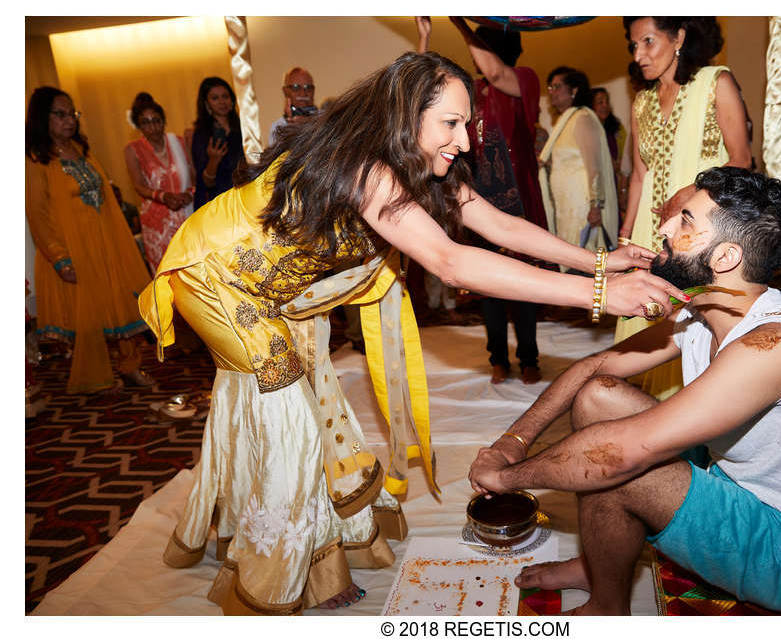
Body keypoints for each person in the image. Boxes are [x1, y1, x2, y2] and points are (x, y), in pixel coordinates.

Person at [138, 52, 689, 616]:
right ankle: (273, 569)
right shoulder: (366, 168)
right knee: (286, 411)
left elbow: (499, 225)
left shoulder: (421, 168)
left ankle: (311, 545)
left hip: (284, 285)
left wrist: (599, 263)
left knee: (314, 396)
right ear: (405, 117)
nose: (466, 142)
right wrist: (600, 296)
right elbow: (452, 263)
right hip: (220, 276)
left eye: (465, 125)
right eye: (450, 124)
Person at [469, 167, 781, 615]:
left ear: (725, 257)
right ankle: (600, 562)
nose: (663, 227)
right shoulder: (698, 313)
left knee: (621, 462)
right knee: (597, 396)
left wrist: (506, 479)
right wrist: (513, 441)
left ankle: (607, 607)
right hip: (741, 487)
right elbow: (595, 366)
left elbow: (624, 452)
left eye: (684, 221)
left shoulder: (778, 343)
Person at [615, 17, 752, 378]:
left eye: (647, 42)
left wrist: (692, 191)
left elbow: (742, 160)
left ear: (678, 37)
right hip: (651, 230)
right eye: (633, 45)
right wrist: (627, 234)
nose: (639, 54)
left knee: (694, 328)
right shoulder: (641, 102)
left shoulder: (715, 83)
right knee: (648, 322)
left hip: (700, 230)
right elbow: (641, 175)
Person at [25, 86, 154, 393]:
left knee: (121, 304)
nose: (69, 120)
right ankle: (94, 376)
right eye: (60, 114)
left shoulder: (82, 150)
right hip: (75, 250)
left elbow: (107, 197)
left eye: (72, 113)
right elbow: (38, 214)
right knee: (91, 317)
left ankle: (130, 366)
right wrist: (59, 258)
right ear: (43, 118)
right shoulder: (35, 160)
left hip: (107, 243)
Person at [440, 16, 546, 384]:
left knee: (525, 284)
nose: (474, 57)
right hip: (480, 207)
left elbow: (498, 74)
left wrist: (459, 22)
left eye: (479, 47)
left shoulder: (524, 80)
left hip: (517, 204)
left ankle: (529, 357)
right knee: (488, 286)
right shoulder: (470, 92)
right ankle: (497, 358)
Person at [538, 67, 619, 261]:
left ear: (574, 90)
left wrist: (596, 206)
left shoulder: (582, 118)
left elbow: (594, 165)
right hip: (566, 207)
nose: (551, 92)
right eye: (550, 87)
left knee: (584, 262)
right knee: (570, 261)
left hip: (583, 209)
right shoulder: (564, 121)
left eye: (557, 86)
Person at [123, 92, 195, 273]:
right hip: (156, 222)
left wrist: (189, 193)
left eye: (156, 120)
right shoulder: (133, 149)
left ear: (163, 121)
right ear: (139, 126)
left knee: (191, 269)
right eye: (146, 122)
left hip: (185, 215)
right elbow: (138, 185)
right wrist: (163, 196)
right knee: (166, 275)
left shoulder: (179, 142)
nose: (153, 127)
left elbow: (194, 175)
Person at [188, 76, 243, 208]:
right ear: (206, 104)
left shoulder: (244, 127)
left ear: (232, 99)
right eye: (215, 98)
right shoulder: (202, 134)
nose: (222, 102)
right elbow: (206, 183)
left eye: (225, 96)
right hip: (217, 203)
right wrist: (214, 160)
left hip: (243, 197)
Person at [591, 87, 628, 208]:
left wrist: (621, 165)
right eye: (600, 102)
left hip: (617, 183)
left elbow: (628, 156)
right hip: (598, 186)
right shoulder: (588, 129)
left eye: (607, 101)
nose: (605, 105)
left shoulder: (617, 128)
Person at [268, 66, 318, 146]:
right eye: (296, 87)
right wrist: (293, 132)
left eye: (308, 88)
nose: (303, 93)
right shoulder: (278, 128)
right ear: (285, 91)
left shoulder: (326, 119)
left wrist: (306, 127)